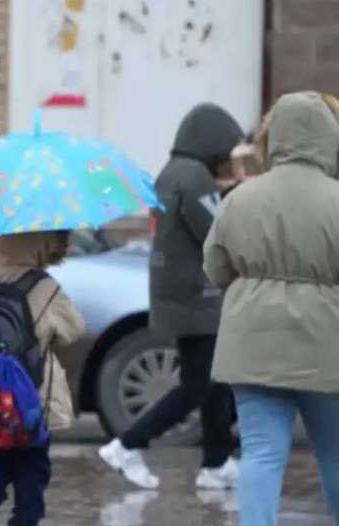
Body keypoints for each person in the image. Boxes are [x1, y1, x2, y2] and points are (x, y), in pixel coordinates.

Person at [203, 91, 339, 525]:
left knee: (261, 452)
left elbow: (215, 268)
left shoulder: (240, 198)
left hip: (253, 342)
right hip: (326, 344)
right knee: (335, 454)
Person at [99, 103, 243, 490]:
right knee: (198, 385)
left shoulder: (175, 173)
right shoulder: (193, 177)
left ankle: (216, 463)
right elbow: (217, 232)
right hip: (196, 299)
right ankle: (128, 445)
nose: (228, 159)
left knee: (214, 380)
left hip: (183, 296)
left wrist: (227, 193)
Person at [0, 232, 86, 526]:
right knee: (33, 473)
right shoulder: (43, 287)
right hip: (31, 398)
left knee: (0, 459)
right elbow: (75, 329)